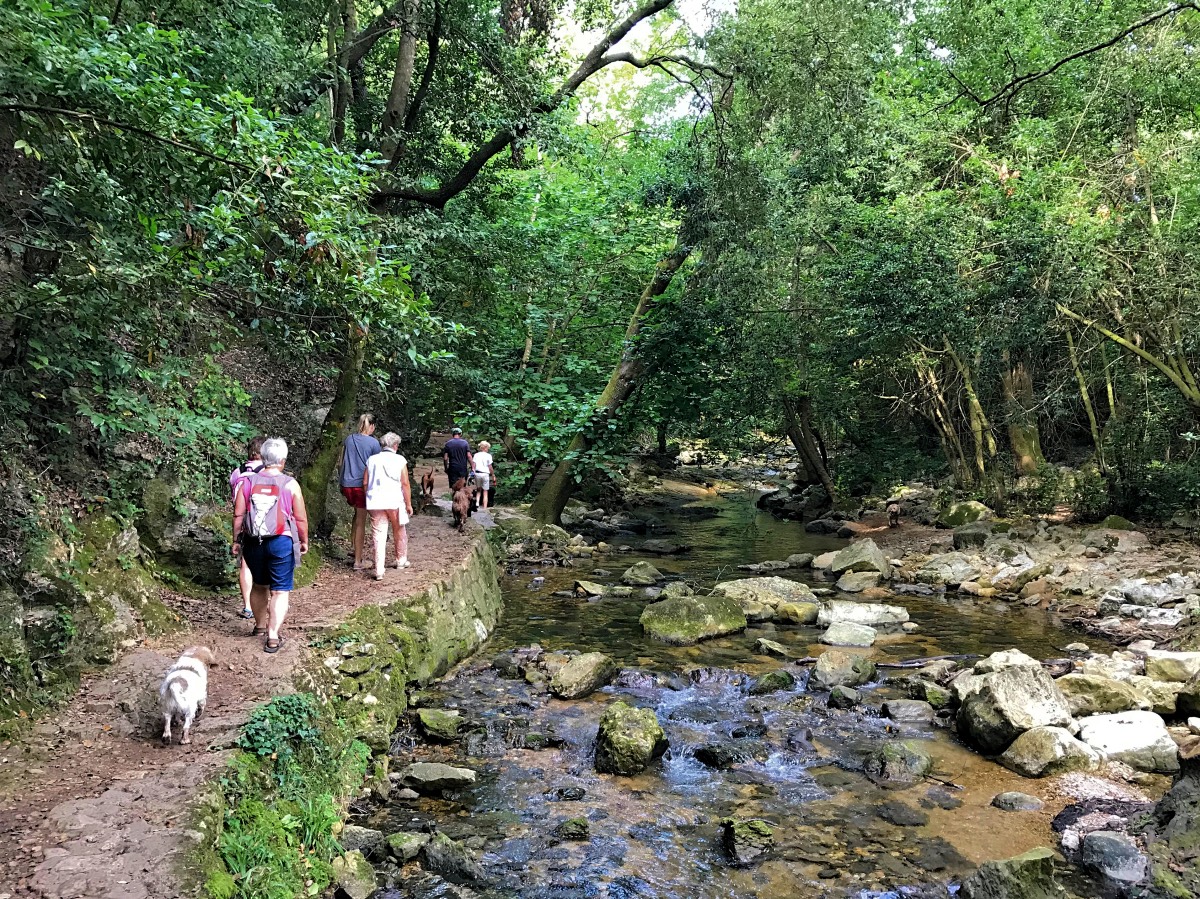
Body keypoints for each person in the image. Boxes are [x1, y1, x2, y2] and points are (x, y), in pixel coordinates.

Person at [232, 438, 308, 653]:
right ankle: (272, 636)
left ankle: (259, 626)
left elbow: (238, 515)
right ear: (282, 461)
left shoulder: (247, 482)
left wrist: (236, 540)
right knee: (280, 591)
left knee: (259, 585)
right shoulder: (290, 484)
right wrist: (303, 540)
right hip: (281, 542)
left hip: (253, 541)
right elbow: (300, 518)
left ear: (263, 458)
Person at [363, 432, 413, 580]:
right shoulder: (400, 460)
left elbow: (365, 482)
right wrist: (408, 504)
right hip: (394, 501)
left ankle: (379, 569)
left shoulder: (372, 460)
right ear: (395, 445)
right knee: (399, 529)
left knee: (378, 535)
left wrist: (368, 496)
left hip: (375, 502)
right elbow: (405, 483)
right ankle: (401, 559)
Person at [229, 435, 266, 619]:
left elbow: (234, 498)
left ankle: (248, 606)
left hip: (244, 521)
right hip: (264, 522)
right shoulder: (266, 472)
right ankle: (268, 601)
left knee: (245, 563)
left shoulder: (237, 472)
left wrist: (235, 537)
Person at [339, 413, 380, 569]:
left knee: (356, 514)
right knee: (361, 522)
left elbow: (341, 461)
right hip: (361, 485)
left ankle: (354, 547)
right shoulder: (374, 443)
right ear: (372, 426)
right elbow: (376, 467)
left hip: (347, 484)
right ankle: (358, 561)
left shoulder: (349, 439)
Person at [472, 440, 496, 510]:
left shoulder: (476, 455)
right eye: (488, 448)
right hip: (485, 474)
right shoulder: (488, 456)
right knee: (485, 491)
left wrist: (473, 472)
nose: (488, 449)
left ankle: (477, 503)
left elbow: (474, 465)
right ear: (485, 448)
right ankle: (485, 508)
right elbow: (490, 467)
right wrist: (493, 474)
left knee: (478, 490)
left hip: (477, 473)